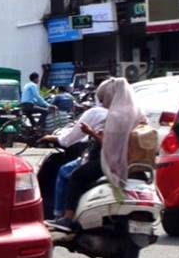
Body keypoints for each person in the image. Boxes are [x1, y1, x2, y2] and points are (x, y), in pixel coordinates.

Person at [49, 77, 146, 232]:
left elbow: (109, 145)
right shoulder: (137, 114)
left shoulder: (116, 116)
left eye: (103, 99)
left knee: (76, 176)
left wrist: (91, 133)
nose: (102, 103)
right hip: (132, 162)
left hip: (112, 161)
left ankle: (67, 218)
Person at [39, 102, 109, 217]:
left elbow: (68, 140)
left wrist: (50, 138)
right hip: (123, 162)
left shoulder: (96, 112)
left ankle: (62, 215)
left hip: (103, 158)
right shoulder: (129, 113)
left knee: (68, 172)